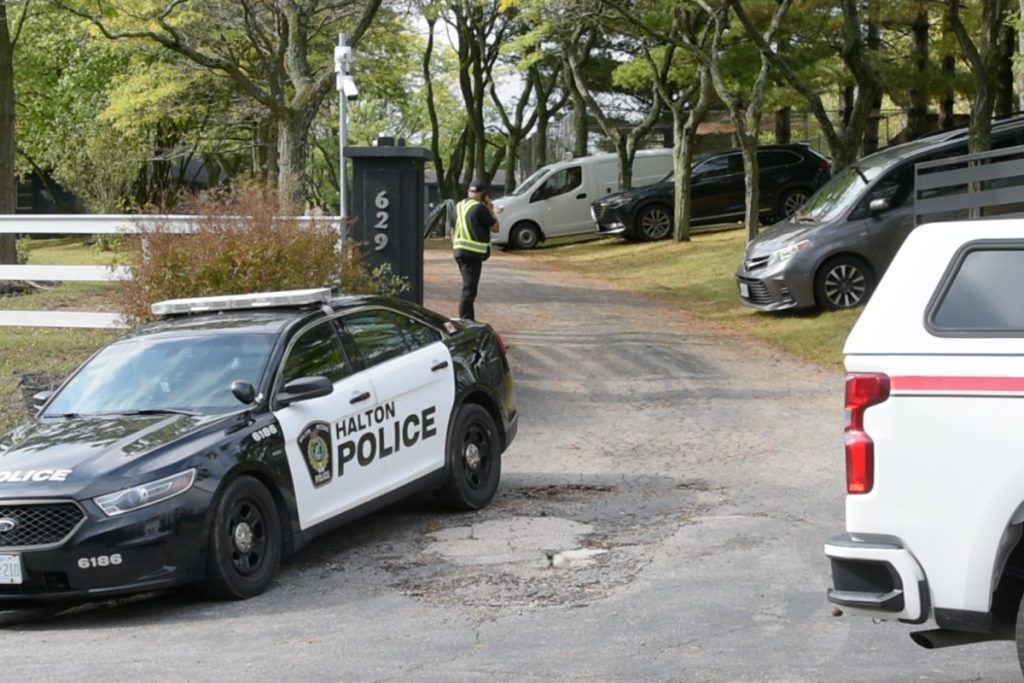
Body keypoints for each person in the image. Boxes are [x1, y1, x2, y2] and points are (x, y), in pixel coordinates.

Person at [452, 179, 499, 320]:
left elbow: (452, 229)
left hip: (459, 251)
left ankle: (468, 317)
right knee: (469, 289)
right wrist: (491, 209)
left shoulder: (459, 206)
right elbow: (496, 227)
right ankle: (465, 319)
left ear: (469, 192)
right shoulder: (480, 208)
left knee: (468, 287)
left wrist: (455, 246)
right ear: (483, 195)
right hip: (472, 254)